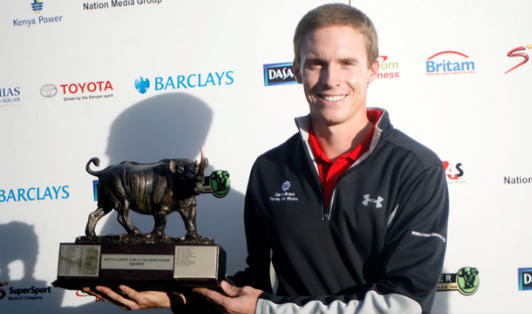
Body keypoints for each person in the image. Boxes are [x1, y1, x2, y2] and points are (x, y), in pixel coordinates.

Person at [84, 3, 448, 314]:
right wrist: (173, 297)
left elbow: (404, 304)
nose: (331, 78)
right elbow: (255, 284)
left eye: (347, 63)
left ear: (373, 69)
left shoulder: (416, 169)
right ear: (296, 70)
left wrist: (266, 310)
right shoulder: (270, 169)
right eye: (316, 63)